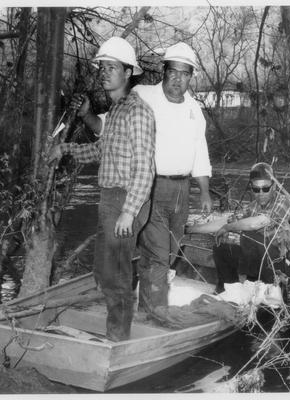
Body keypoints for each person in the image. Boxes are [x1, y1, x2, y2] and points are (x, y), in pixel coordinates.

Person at [48, 37, 155, 341]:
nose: (105, 72)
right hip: (109, 198)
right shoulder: (117, 110)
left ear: (128, 72)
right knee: (103, 271)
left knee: (116, 274)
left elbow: (145, 168)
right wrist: (65, 149)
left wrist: (128, 213)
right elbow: (100, 153)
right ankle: (112, 326)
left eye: (112, 67)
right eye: (102, 67)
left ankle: (117, 340)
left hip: (126, 200)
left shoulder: (138, 112)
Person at [131, 42, 213, 312]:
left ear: (191, 76)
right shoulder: (143, 95)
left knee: (170, 250)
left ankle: (145, 305)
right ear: (164, 71)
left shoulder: (194, 110)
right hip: (151, 187)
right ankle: (156, 313)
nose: (178, 79)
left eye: (185, 73)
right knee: (159, 254)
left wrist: (204, 191)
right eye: (173, 72)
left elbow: (200, 150)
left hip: (182, 190)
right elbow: (116, 119)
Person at [187, 162, 290, 297]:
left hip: (287, 264)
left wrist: (227, 228)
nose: (261, 193)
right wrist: (190, 229)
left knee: (251, 235)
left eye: (265, 188)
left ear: (274, 186)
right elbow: (227, 221)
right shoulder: (253, 206)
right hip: (264, 258)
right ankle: (227, 289)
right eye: (256, 189)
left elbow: (257, 223)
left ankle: (265, 287)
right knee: (222, 248)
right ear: (251, 188)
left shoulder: (283, 202)